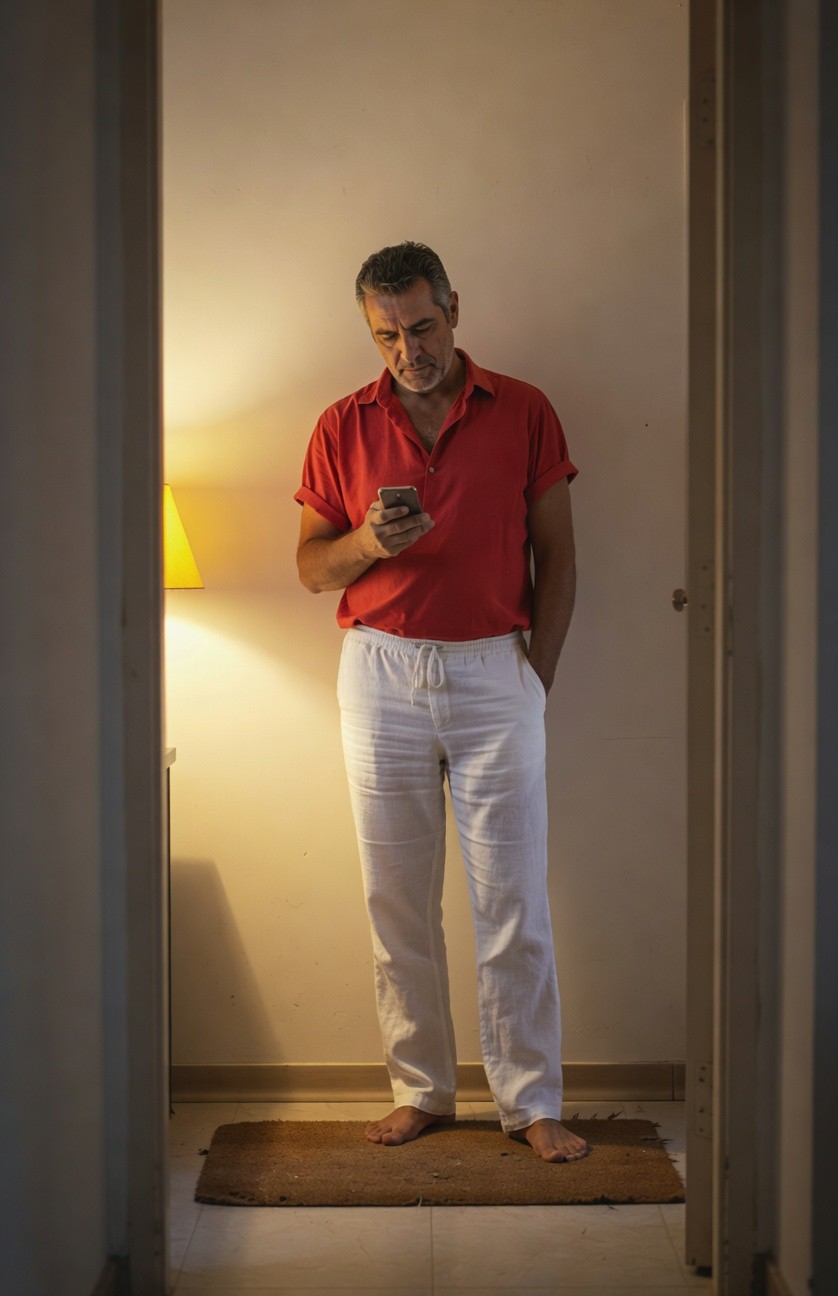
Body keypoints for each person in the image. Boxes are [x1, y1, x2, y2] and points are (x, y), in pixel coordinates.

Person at [295, 241, 586, 1162]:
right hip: (380, 672)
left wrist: (534, 675)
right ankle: (420, 1089)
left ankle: (531, 1100)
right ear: (368, 330)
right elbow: (309, 568)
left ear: (455, 308)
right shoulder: (341, 425)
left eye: (421, 326)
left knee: (514, 900)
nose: (407, 350)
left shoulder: (525, 409)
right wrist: (371, 547)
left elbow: (561, 557)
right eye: (386, 334)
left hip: (497, 669)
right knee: (398, 901)